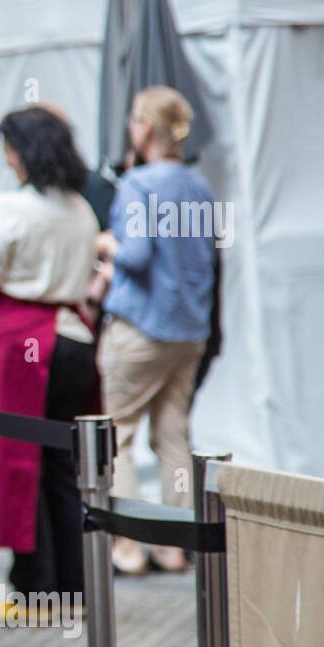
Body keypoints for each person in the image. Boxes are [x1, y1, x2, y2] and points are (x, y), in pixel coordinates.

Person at [0, 106, 100, 613]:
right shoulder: (81, 209)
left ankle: (35, 586)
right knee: (60, 466)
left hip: (25, 346)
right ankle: (73, 582)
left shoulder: (12, 208)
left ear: (23, 151)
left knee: (19, 463)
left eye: (9, 148)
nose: (7, 159)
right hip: (73, 341)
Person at [98, 86, 216, 574]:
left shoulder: (138, 185)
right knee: (172, 439)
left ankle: (127, 547)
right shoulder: (199, 187)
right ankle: (173, 546)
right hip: (189, 330)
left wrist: (106, 246)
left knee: (120, 435)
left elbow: (137, 255)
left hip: (140, 327)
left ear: (145, 128)